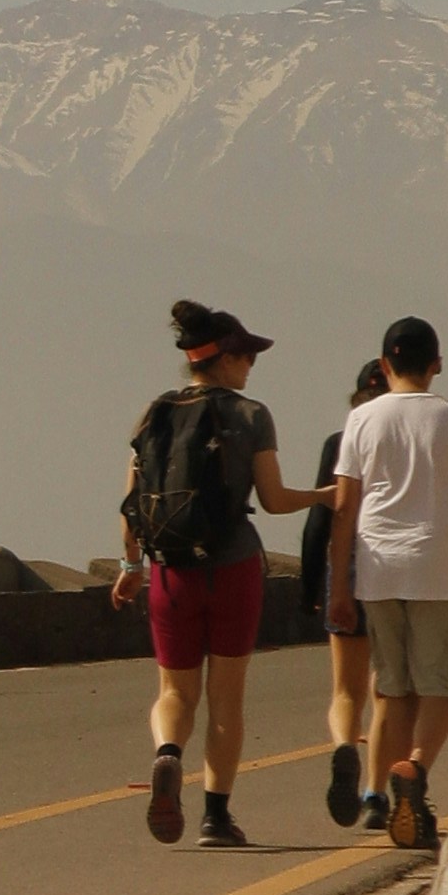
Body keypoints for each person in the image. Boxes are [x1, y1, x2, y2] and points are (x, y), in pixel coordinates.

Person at [113, 298, 323, 848]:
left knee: (175, 692)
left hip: (169, 574)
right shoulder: (251, 415)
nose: (252, 365)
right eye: (247, 355)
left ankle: (166, 755)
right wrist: (330, 495)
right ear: (225, 359)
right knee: (226, 696)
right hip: (232, 569)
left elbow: (131, 504)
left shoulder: (153, 412)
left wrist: (131, 565)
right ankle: (215, 817)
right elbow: (274, 501)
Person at [336, 313, 448, 852]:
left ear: (384, 365)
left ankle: (405, 796)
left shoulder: (361, 420)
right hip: (438, 567)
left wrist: (339, 583)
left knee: (395, 688)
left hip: (378, 569)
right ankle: (417, 770)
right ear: (437, 365)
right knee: (441, 687)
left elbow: (343, 509)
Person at [300, 355, 389, 829]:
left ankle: (342, 748)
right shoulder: (405, 439)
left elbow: (321, 519)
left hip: (347, 566)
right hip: (397, 568)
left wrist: (311, 585)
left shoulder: (339, 443)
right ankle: (376, 795)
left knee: (345, 690)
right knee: (386, 686)